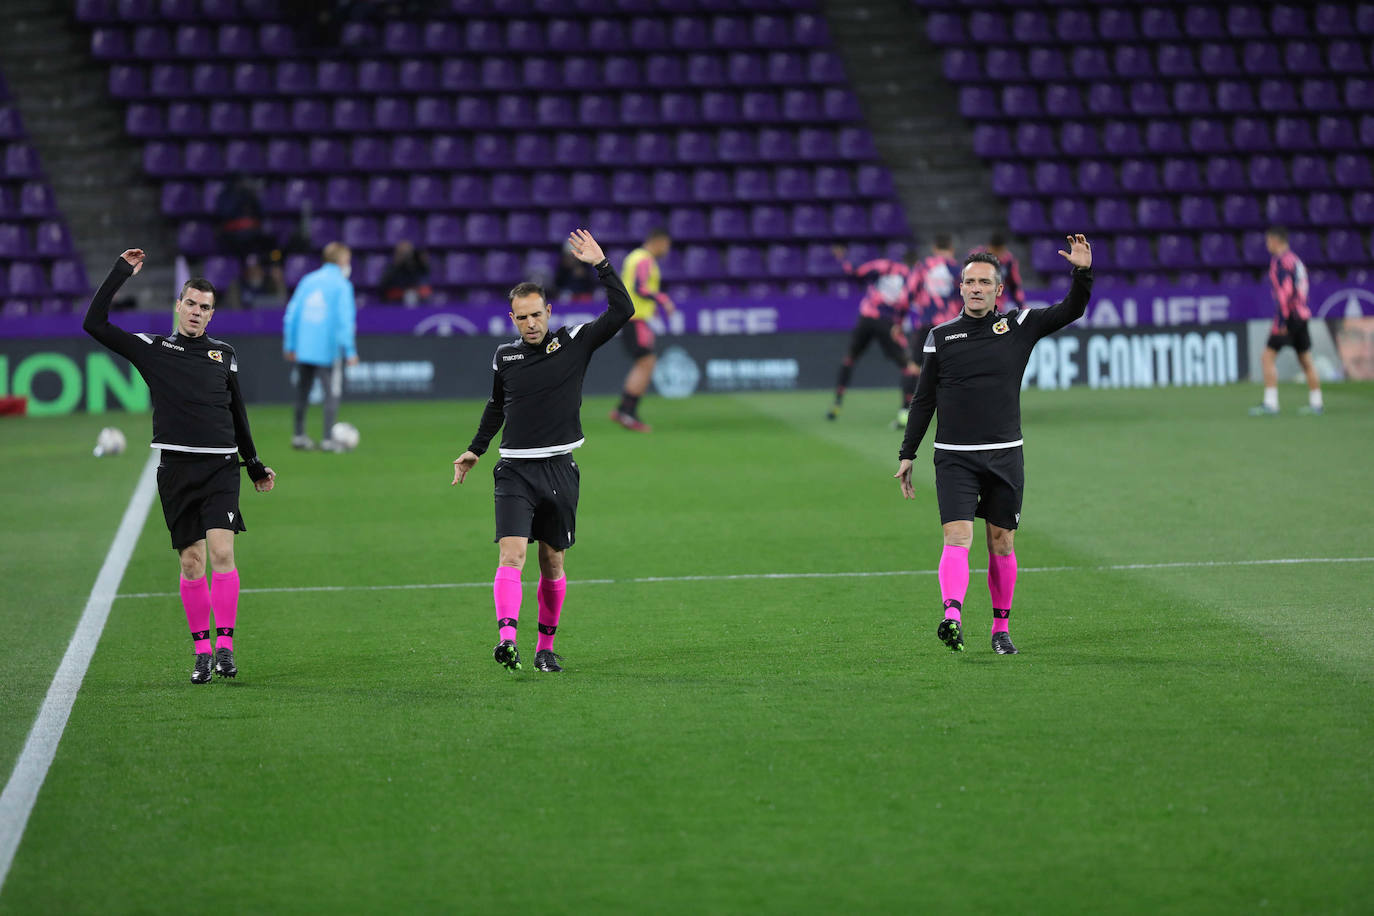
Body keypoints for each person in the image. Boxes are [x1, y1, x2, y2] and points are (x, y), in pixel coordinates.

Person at [83, 248, 276, 685]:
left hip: (221, 468)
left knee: (223, 553)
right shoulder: (154, 349)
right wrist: (119, 273)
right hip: (176, 469)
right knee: (192, 563)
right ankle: (202, 651)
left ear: (212, 314)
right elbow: (93, 324)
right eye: (190, 303)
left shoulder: (224, 354)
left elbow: (237, 413)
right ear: (179, 305)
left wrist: (254, 463)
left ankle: (226, 646)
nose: (196, 312)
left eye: (205, 307)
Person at [895, 235, 1093, 656]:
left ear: (998, 290)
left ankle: (1000, 630)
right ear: (960, 288)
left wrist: (1082, 273)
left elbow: (1071, 309)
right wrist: (908, 452)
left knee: (1001, 542)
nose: (977, 288)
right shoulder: (941, 337)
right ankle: (952, 616)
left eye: (985, 282)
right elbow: (924, 398)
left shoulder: (1019, 327)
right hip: (953, 458)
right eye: (970, 282)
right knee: (957, 537)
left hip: (1005, 453)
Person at [451, 230, 633, 674]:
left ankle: (544, 648)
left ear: (548, 312)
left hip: (559, 470)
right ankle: (506, 639)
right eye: (521, 318)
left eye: (536, 315)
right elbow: (497, 406)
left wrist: (601, 264)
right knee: (511, 553)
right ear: (511, 319)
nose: (530, 324)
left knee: (551, 563)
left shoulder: (575, 342)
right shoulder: (504, 358)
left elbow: (623, 310)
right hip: (514, 472)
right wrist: (475, 450)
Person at [825, 244, 920, 425]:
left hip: (866, 318)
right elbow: (912, 303)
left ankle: (836, 403)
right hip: (888, 323)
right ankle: (905, 411)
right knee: (908, 366)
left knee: (849, 359)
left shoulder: (883, 265)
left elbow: (856, 272)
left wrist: (843, 258)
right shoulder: (913, 276)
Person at [283, 242, 358, 450]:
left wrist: (290, 344)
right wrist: (349, 351)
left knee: (302, 392)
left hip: (304, 348)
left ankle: (298, 436)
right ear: (342, 260)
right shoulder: (342, 285)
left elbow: (292, 314)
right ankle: (328, 439)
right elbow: (345, 321)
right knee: (331, 393)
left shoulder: (308, 281)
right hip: (328, 350)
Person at [1250, 226, 1323, 416]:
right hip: (1302, 315)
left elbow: (1285, 293)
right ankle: (1317, 403)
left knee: (1267, 357)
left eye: (1268, 241)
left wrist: (1281, 321)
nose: (1267, 245)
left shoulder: (1281, 262)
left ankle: (1271, 403)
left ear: (1275, 240)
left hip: (1288, 316)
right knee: (1305, 359)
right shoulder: (1296, 261)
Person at [612, 227, 675, 432]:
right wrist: (662, 299)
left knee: (646, 362)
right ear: (659, 241)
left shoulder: (636, 257)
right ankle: (626, 411)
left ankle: (624, 410)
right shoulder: (644, 259)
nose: (667, 249)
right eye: (666, 244)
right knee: (646, 362)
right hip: (635, 319)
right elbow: (640, 287)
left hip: (636, 318)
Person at [902, 234, 964, 427]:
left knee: (913, 367)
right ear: (951, 248)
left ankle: (905, 411)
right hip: (950, 325)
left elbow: (908, 293)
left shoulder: (923, 267)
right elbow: (967, 295)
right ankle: (957, 411)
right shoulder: (958, 269)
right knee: (954, 367)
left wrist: (898, 320)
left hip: (926, 325)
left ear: (934, 248)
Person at [971, 232, 1027, 310]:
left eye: (1000, 250)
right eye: (995, 250)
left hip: (997, 304)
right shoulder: (976, 257)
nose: (997, 253)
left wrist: (1022, 306)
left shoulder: (1008, 261)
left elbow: (1014, 286)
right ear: (989, 247)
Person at [378, 240, 432, 306]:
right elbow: (383, 285)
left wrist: (423, 263)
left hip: (417, 297)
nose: (406, 256)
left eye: (408, 253)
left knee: (413, 294)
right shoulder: (391, 268)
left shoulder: (418, 267)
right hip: (396, 299)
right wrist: (397, 264)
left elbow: (425, 281)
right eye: (403, 253)